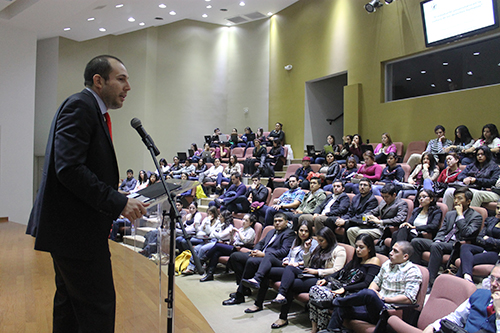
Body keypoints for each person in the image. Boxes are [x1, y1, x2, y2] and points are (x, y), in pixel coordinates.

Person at [25, 55, 148, 333]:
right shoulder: (81, 106)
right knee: (97, 310)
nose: (128, 86)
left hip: (74, 233)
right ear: (98, 80)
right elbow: (68, 168)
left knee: (71, 309)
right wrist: (119, 202)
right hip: (76, 234)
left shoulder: (89, 109)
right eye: (121, 79)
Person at [319, 241, 422, 333]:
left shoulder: (412, 271)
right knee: (343, 306)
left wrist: (383, 298)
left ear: (405, 256)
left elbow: (409, 298)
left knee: (368, 294)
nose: (390, 253)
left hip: (390, 311)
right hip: (373, 307)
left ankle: (336, 301)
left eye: (395, 251)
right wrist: (373, 291)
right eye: (391, 250)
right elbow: (375, 282)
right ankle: (331, 330)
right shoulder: (387, 265)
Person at [270, 227, 346, 329]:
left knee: (291, 284)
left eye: (321, 241)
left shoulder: (339, 250)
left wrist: (317, 271)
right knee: (290, 268)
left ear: (329, 239)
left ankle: (282, 317)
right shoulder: (319, 248)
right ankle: (281, 294)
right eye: (318, 240)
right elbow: (307, 264)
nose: (319, 243)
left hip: (322, 279)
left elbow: (337, 270)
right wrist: (306, 251)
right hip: (310, 273)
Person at [410, 187, 482, 290]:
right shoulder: (450, 214)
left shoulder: (476, 216)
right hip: (442, 242)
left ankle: (430, 282)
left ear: (468, 201)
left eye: (460, 198)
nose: (456, 201)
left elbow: (467, 233)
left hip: (456, 244)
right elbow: (442, 231)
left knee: (436, 246)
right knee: (416, 242)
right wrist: (438, 239)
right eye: (455, 198)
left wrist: (460, 216)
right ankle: (415, 275)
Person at [309, 234, 381, 333]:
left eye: (361, 247)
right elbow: (340, 271)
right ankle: (318, 328)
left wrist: (345, 289)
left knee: (321, 296)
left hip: (353, 293)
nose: (358, 250)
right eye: (356, 247)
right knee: (315, 290)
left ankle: (323, 328)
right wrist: (327, 279)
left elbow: (366, 284)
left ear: (369, 248)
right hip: (341, 287)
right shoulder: (356, 260)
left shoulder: (374, 261)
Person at [242, 220, 318, 313]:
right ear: (297, 231)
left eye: (306, 231)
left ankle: (259, 298)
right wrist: (286, 260)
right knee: (269, 258)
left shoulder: (313, 243)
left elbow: (311, 262)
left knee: (268, 271)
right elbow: (289, 255)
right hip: (288, 265)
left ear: (310, 232)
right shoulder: (296, 241)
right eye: (301, 230)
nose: (303, 233)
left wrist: (298, 263)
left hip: (298, 270)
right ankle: (257, 284)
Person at [222, 213, 295, 305]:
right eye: (275, 221)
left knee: (251, 261)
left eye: (280, 221)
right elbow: (261, 243)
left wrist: (263, 254)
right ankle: (245, 288)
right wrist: (255, 250)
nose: (277, 223)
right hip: (260, 255)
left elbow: (283, 252)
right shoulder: (272, 231)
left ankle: (239, 295)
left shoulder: (289, 234)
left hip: (272, 259)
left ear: (286, 222)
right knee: (235, 256)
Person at [423, 264, 500, 333]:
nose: (493, 283)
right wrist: (433, 326)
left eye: (499, 280)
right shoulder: (480, 294)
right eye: (492, 278)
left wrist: (498, 313)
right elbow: (456, 317)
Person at [201, 214, 257, 282]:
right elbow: (233, 241)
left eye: (246, 220)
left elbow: (245, 241)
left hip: (240, 250)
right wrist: (231, 235)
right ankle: (209, 274)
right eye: (243, 219)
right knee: (216, 253)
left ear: (251, 223)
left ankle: (203, 259)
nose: (243, 221)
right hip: (233, 246)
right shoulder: (241, 229)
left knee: (218, 245)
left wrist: (238, 232)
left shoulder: (251, 231)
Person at [442, 146, 500, 211]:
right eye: (478, 154)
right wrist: (466, 178)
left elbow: (493, 182)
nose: (480, 156)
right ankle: (446, 217)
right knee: (449, 191)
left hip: (486, 190)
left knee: (476, 194)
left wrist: (476, 180)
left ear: (487, 155)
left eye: (482, 154)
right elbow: (460, 175)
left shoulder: (494, 167)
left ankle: (469, 218)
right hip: (471, 187)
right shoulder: (472, 165)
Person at [456, 200, 500, 283]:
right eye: (498, 208)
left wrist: (488, 239)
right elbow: (479, 238)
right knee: (465, 246)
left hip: (496, 253)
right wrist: (489, 241)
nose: (499, 211)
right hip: (484, 249)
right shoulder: (490, 220)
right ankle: (466, 278)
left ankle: (463, 278)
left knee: (468, 259)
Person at [325, 178, 379, 242]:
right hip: (351, 219)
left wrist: (346, 220)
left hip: (361, 222)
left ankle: (346, 244)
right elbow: (350, 212)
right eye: (360, 185)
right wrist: (342, 219)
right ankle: (330, 242)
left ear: (370, 188)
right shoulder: (356, 197)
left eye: (365, 185)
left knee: (347, 224)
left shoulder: (372, 200)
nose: (362, 187)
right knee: (330, 220)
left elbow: (365, 215)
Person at [183, 210, 234, 276]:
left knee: (202, 249)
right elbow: (210, 232)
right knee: (196, 249)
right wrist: (207, 222)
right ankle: (191, 268)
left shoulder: (230, 227)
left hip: (219, 243)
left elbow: (220, 236)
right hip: (211, 240)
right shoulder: (219, 224)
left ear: (225, 218)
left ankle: (198, 266)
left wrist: (215, 233)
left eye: (221, 217)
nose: (219, 218)